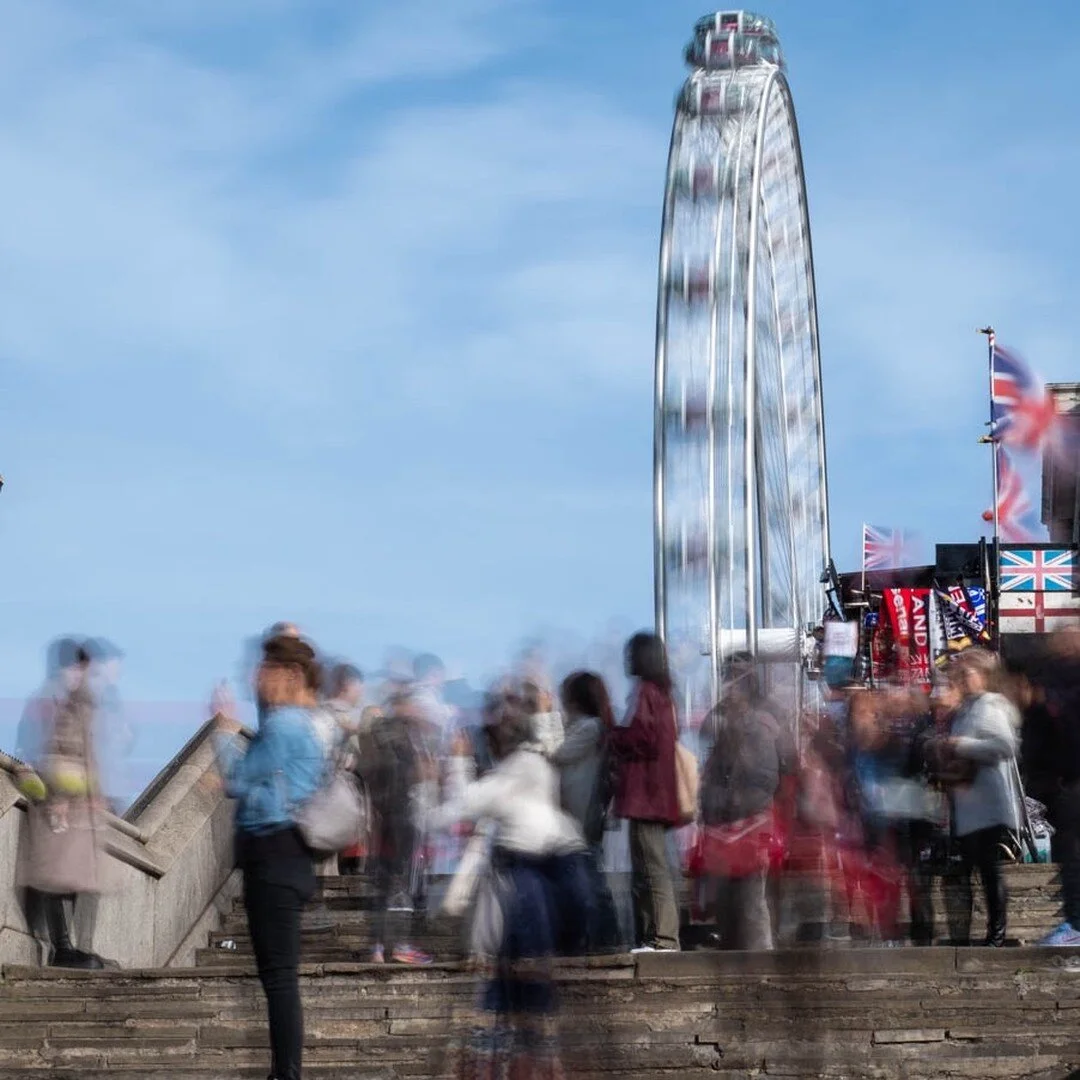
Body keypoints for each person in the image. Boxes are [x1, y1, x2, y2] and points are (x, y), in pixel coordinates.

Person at [432, 681, 589, 1077]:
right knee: (528, 996)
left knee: (507, 995)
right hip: (539, 888)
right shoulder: (537, 767)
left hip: (521, 891)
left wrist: (456, 764)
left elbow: (460, 806)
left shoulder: (518, 771)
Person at [214, 633, 327, 1080]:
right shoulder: (302, 724)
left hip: (275, 854)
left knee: (279, 976)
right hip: (286, 856)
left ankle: (286, 1074)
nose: (256, 679)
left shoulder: (285, 725)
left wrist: (224, 730)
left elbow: (237, 778)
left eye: (265, 670)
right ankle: (284, 1071)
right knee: (278, 975)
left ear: (289, 674)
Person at [16, 639, 110, 969]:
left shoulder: (75, 701)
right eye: (76, 668)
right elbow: (39, 749)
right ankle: (62, 947)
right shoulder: (48, 699)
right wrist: (55, 796)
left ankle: (70, 947)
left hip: (75, 803)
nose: (79, 676)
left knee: (71, 875)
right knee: (56, 875)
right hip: (54, 802)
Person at [929, 650, 1021, 948]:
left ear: (982, 675)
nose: (963, 680)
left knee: (989, 870)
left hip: (989, 805)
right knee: (975, 868)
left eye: (968, 674)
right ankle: (979, 933)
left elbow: (1004, 746)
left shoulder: (991, 707)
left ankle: (996, 934)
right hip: (970, 804)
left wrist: (962, 745)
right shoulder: (966, 709)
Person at [698, 662, 790, 950]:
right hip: (729, 825)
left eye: (732, 685)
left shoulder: (759, 726)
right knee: (730, 903)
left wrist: (732, 804)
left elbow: (764, 777)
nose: (727, 691)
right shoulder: (726, 722)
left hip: (749, 823)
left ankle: (759, 964)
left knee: (751, 901)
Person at [609, 632, 681, 953]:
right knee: (650, 868)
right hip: (656, 794)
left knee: (651, 869)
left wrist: (613, 734)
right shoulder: (663, 693)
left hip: (645, 795)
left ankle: (662, 938)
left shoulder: (646, 692)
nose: (626, 660)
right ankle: (653, 937)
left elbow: (642, 737)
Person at [358, 689, 434, 965]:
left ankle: (377, 947)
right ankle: (401, 945)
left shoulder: (375, 738)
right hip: (402, 818)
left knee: (383, 883)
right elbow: (413, 777)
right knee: (404, 881)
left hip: (383, 820)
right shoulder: (401, 737)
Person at [553, 671, 620, 951]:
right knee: (584, 878)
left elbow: (556, 752)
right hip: (577, 815)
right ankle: (592, 938)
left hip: (582, 815)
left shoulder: (589, 728)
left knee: (591, 879)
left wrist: (545, 717)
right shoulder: (587, 727)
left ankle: (606, 938)